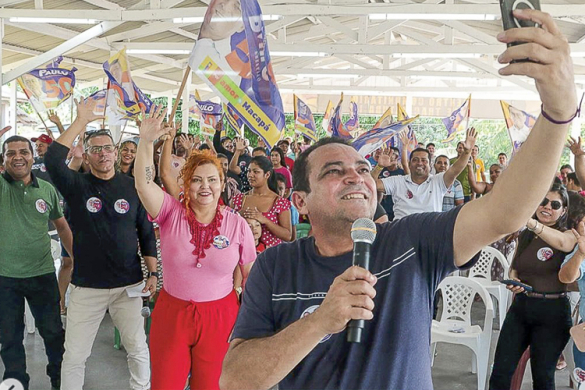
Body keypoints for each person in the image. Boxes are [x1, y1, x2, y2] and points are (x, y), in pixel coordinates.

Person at [219, 10, 578, 390]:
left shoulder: (412, 241)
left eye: (361, 167)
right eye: (333, 171)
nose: (356, 176)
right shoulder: (276, 268)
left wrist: (558, 113)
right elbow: (236, 379)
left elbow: (504, 212)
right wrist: (319, 321)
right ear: (301, 201)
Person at [133, 105, 256, 389]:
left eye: (212, 180)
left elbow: (250, 276)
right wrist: (146, 140)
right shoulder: (170, 212)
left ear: (222, 183)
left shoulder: (237, 225)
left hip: (221, 316)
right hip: (172, 314)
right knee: (165, 384)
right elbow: (143, 182)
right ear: (185, 185)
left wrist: (251, 325)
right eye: (196, 180)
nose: (205, 186)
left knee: (211, 385)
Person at [44, 98, 158, 390]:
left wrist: (154, 272)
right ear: (88, 154)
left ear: (117, 152)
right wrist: (81, 121)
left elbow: (146, 232)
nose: (104, 154)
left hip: (128, 287)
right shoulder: (76, 185)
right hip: (86, 288)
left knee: (138, 348)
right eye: (96, 149)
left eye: (108, 148)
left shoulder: (132, 186)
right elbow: (52, 161)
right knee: (75, 356)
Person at [0, 135, 73, 390]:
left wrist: (73, 258)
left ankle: (58, 379)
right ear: (4, 158)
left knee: (53, 333)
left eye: (23, 152)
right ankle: (15, 383)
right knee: (9, 338)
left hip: (41, 274)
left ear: (33, 156)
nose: (18, 157)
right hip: (5, 277)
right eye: (11, 153)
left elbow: (62, 226)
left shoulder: (46, 189)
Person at [489, 184, 576, 390]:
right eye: (543, 201)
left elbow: (563, 244)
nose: (547, 207)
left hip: (552, 312)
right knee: (501, 370)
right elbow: (515, 267)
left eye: (555, 204)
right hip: (522, 308)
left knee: (543, 376)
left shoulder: (569, 234)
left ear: (563, 210)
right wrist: (515, 280)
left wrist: (528, 220)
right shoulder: (526, 234)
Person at [373, 128, 476, 220]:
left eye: (424, 160)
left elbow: (455, 169)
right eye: (415, 160)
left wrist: (467, 152)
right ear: (409, 164)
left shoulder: (438, 181)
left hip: (430, 235)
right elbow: (371, 184)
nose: (419, 163)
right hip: (402, 233)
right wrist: (380, 166)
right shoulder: (398, 181)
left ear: (430, 165)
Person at [232, 156, 292, 247]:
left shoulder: (279, 202)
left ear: (267, 175)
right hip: (243, 256)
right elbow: (229, 228)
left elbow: (287, 236)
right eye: (249, 171)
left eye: (256, 172)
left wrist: (265, 220)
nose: (250, 175)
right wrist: (238, 215)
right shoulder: (239, 200)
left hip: (271, 257)